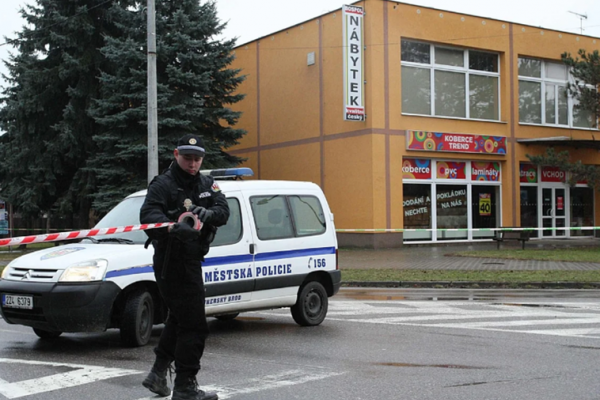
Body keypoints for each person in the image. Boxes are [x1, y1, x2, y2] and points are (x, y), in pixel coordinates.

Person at [140, 133, 229, 400]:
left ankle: (157, 373)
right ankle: (185, 386)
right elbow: (148, 216)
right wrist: (172, 228)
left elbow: (223, 210)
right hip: (172, 261)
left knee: (180, 318)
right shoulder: (163, 184)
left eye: (197, 159)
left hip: (193, 259)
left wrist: (208, 213)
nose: (192, 164)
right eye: (187, 158)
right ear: (176, 155)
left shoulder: (206, 182)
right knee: (195, 325)